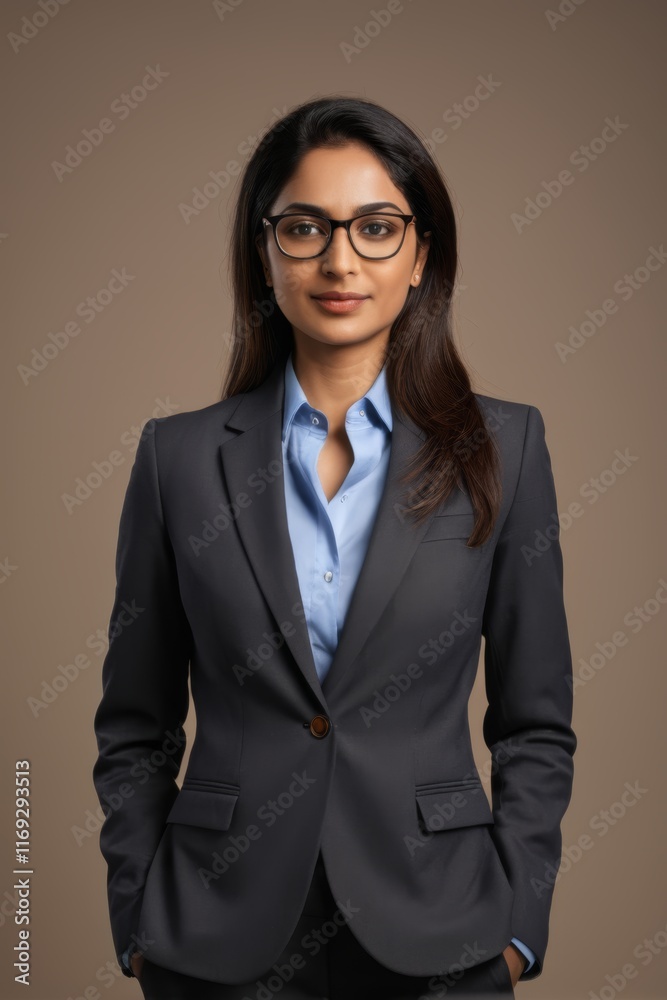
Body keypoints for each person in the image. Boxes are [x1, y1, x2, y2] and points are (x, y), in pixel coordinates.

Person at [92, 95, 576, 999]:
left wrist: (517, 927)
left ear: (421, 253)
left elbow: (535, 725)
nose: (339, 259)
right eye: (305, 227)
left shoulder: (504, 449)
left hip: (442, 930)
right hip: (215, 939)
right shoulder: (179, 459)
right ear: (264, 251)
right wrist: (137, 920)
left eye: (376, 228)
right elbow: (133, 726)